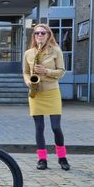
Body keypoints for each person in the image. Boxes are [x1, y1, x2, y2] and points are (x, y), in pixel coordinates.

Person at [22, 23, 69, 170]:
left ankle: (62, 158)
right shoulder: (29, 53)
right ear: (34, 36)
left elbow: (61, 72)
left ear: (49, 35)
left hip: (52, 91)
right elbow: (25, 72)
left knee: (56, 127)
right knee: (39, 127)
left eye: (43, 33)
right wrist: (28, 81)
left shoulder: (56, 51)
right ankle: (42, 159)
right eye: (37, 33)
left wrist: (46, 71)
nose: (40, 36)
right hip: (36, 93)